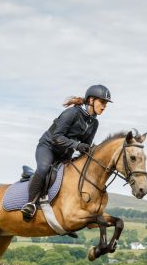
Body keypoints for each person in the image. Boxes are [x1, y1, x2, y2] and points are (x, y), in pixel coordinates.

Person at [21, 84, 112, 221]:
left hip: (65, 153)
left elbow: (85, 146)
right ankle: (30, 203)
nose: (104, 106)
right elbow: (57, 137)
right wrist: (77, 145)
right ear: (91, 100)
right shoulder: (72, 113)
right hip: (48, 147)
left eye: (106, 103)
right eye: (102, 102)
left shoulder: (94, 123)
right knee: (44, 168)